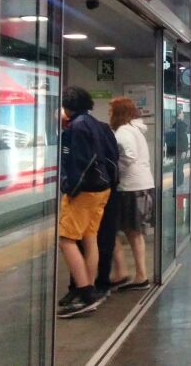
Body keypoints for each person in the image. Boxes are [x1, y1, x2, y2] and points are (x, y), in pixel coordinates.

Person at [57, 86, 118, 318]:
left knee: (65, 240)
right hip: (101, 189)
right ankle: (89, 287)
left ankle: (84, 292)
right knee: (89, 237)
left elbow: (81, 162)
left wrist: (70, 188)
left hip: (85, 190)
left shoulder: (78, 126)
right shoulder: (93, 122)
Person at [107, 98, 155, 291]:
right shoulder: (135, 130)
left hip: (130, 186)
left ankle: (136, 275)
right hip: (141, 184)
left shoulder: (124, 131)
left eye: (111, 111)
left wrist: (114, 169)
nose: (109, 114)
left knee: (126, 231)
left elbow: (128, 155)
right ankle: (137, 274)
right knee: (134, 232)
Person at [174, 109, 189, 187]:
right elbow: (183, 139)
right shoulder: (181, 126)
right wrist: (184, 150)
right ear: (179, 115)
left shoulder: (176, 125)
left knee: (178, 166)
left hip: (177, 149)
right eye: (182, 113)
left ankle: (178, 183)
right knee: (180, 167)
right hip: (180, 150)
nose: (183, 114)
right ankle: (179, 184)